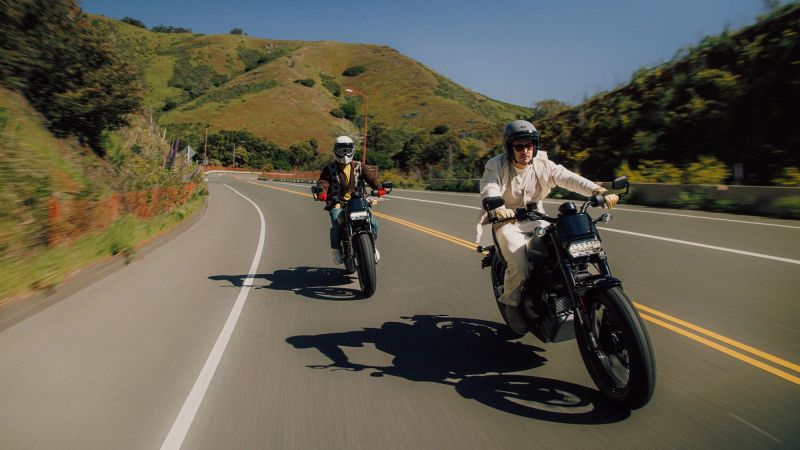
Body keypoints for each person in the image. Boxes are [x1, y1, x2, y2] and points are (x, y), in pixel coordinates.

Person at [477, 120, 618, 334]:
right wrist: (497, 206)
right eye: (519, 146)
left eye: (529, 145)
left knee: (567, 249)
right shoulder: (495, 165)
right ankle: (512, 304)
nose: (525, 150)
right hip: (507, 220)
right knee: (520, 262)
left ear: (535, 145)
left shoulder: (543, 162)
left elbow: (568, 178)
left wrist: (598, 191)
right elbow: (489, 186)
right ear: (509, 147)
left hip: (538, 217)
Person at [315, 136, 386, 264]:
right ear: (336, 152)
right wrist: (322, 193)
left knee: (373, 223)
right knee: (337, 223)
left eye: (348, 151)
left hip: (359, 201)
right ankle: (336, 250)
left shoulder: (360, 166)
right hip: (338, 202)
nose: (345, 154)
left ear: (352, 151)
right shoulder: (329, 169)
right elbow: (323, 183)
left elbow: (372, 179)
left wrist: (380, 188)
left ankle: (371, 247)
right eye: (342, 151)